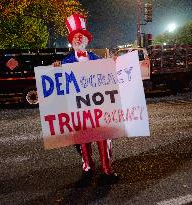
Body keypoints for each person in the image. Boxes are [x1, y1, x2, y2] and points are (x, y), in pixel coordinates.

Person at [53, 13, 118, 186]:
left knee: (103, 138)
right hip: (78, 108)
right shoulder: (65, 63)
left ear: (86, 41)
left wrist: (115, 64)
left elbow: (110, 78)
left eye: (81, 36)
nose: (78, 38)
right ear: (72, 41)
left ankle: (107, 169)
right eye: (75, 36)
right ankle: (87, 168)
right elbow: (57, 86)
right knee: (83, 139)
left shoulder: (98, 59)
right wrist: (54, 70)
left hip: (98, 107)